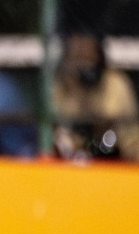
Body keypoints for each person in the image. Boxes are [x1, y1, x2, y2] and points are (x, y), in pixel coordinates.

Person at [53, 30, 139, 161]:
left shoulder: (115, 82)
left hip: (114, 156)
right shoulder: (60, 85)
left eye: (87, 58)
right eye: (77, 58)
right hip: (72, 160)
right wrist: (75, 89)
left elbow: (130, 135)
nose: (84, 66)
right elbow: (56, 125)